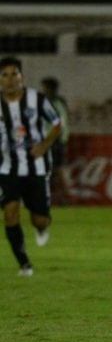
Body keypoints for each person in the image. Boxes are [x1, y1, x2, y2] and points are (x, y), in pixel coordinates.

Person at [0, 56, 62, 276]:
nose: (10, 80)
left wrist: (44, 146)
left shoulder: (37, 99)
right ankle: (24, 263)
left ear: (22, 77)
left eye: (14, 74)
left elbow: (56, 123)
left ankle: (42, 227)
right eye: (5, 75)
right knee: (10, 213)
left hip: (36, 166)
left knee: (40, 219)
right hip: (7, 169)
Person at [41, 76, 71, 206]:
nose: (44, 90)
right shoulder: (44, 102)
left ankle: (65, 199)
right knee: (44, 171)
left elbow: (63, 124)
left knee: (58, 171)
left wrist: (62, 141)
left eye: (46, 87)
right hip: (44, 142)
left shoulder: (57, 103)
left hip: (55, 142)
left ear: (53, 89)